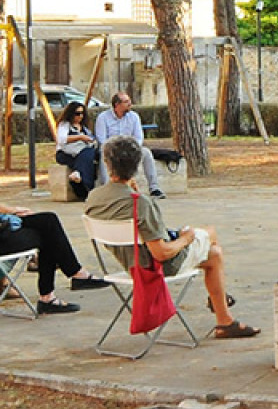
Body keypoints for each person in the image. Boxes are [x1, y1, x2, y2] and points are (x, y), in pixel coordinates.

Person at [86, 137, 259, 338]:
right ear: (137, 167)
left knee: (211, 252)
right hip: (154, 268)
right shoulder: (141, 204)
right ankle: (222, 314)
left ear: (107, 165)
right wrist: (186, 238)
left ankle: (221, 309)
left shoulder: (94, 198)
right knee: (212, 242)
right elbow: (161, 253)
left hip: (128, 262)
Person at [0, 132, 107, 314]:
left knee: (48, 220)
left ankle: (73, 277)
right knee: (47, 233)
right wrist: (15, 209)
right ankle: (56, 290)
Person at [94, 92, 162, 197]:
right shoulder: (103, 118)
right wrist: (114, 149)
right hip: (111, 149)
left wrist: (132, 149)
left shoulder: (134, 117)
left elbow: (139, 137)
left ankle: (154, 188)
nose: (130, 104)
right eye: (126, 102)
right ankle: (107, 189)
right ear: (117, 105)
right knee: (103, 154)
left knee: (146, 153)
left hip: (129, 149)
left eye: (129, 101)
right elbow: (101, 139)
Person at [54, 104, 99, 200]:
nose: (80, 116)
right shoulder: (64, 125)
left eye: (82, 113)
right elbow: (61, 140)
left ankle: (81, 186)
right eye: (77, 113)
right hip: (66, 153)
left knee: (89, 158)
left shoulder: (85, 128)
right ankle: (88, 188)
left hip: (83, 153)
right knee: (87, 159)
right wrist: (80, 137)